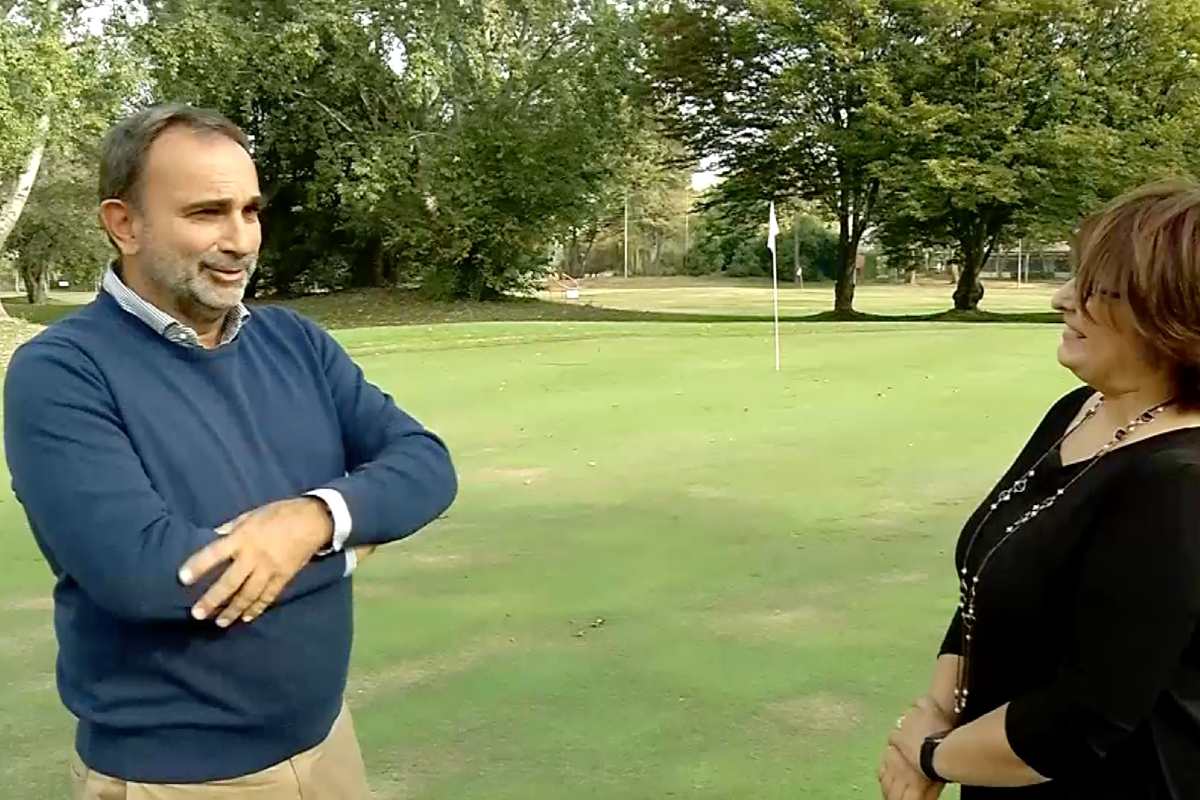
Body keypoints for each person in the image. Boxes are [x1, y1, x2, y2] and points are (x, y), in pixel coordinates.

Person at [3, 103, 459, 799]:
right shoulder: (62, 372)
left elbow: (425, 463)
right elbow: (149, 575)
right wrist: (349, 546)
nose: (240, 240)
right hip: (176, 779)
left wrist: (312, 519)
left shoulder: (294, 342)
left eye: (250, 211)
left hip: (327, 744)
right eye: (207, 213)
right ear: (124, 224)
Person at [878, 180, 1200, 799]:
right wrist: (936, 713)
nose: (1061, 298)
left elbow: (1081, 719)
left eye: (1097, 289)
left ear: (1172, 315)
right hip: (994, 770)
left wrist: (929, 755)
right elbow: (990, 581)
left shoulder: (1180, 480)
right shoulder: (1079, 410)